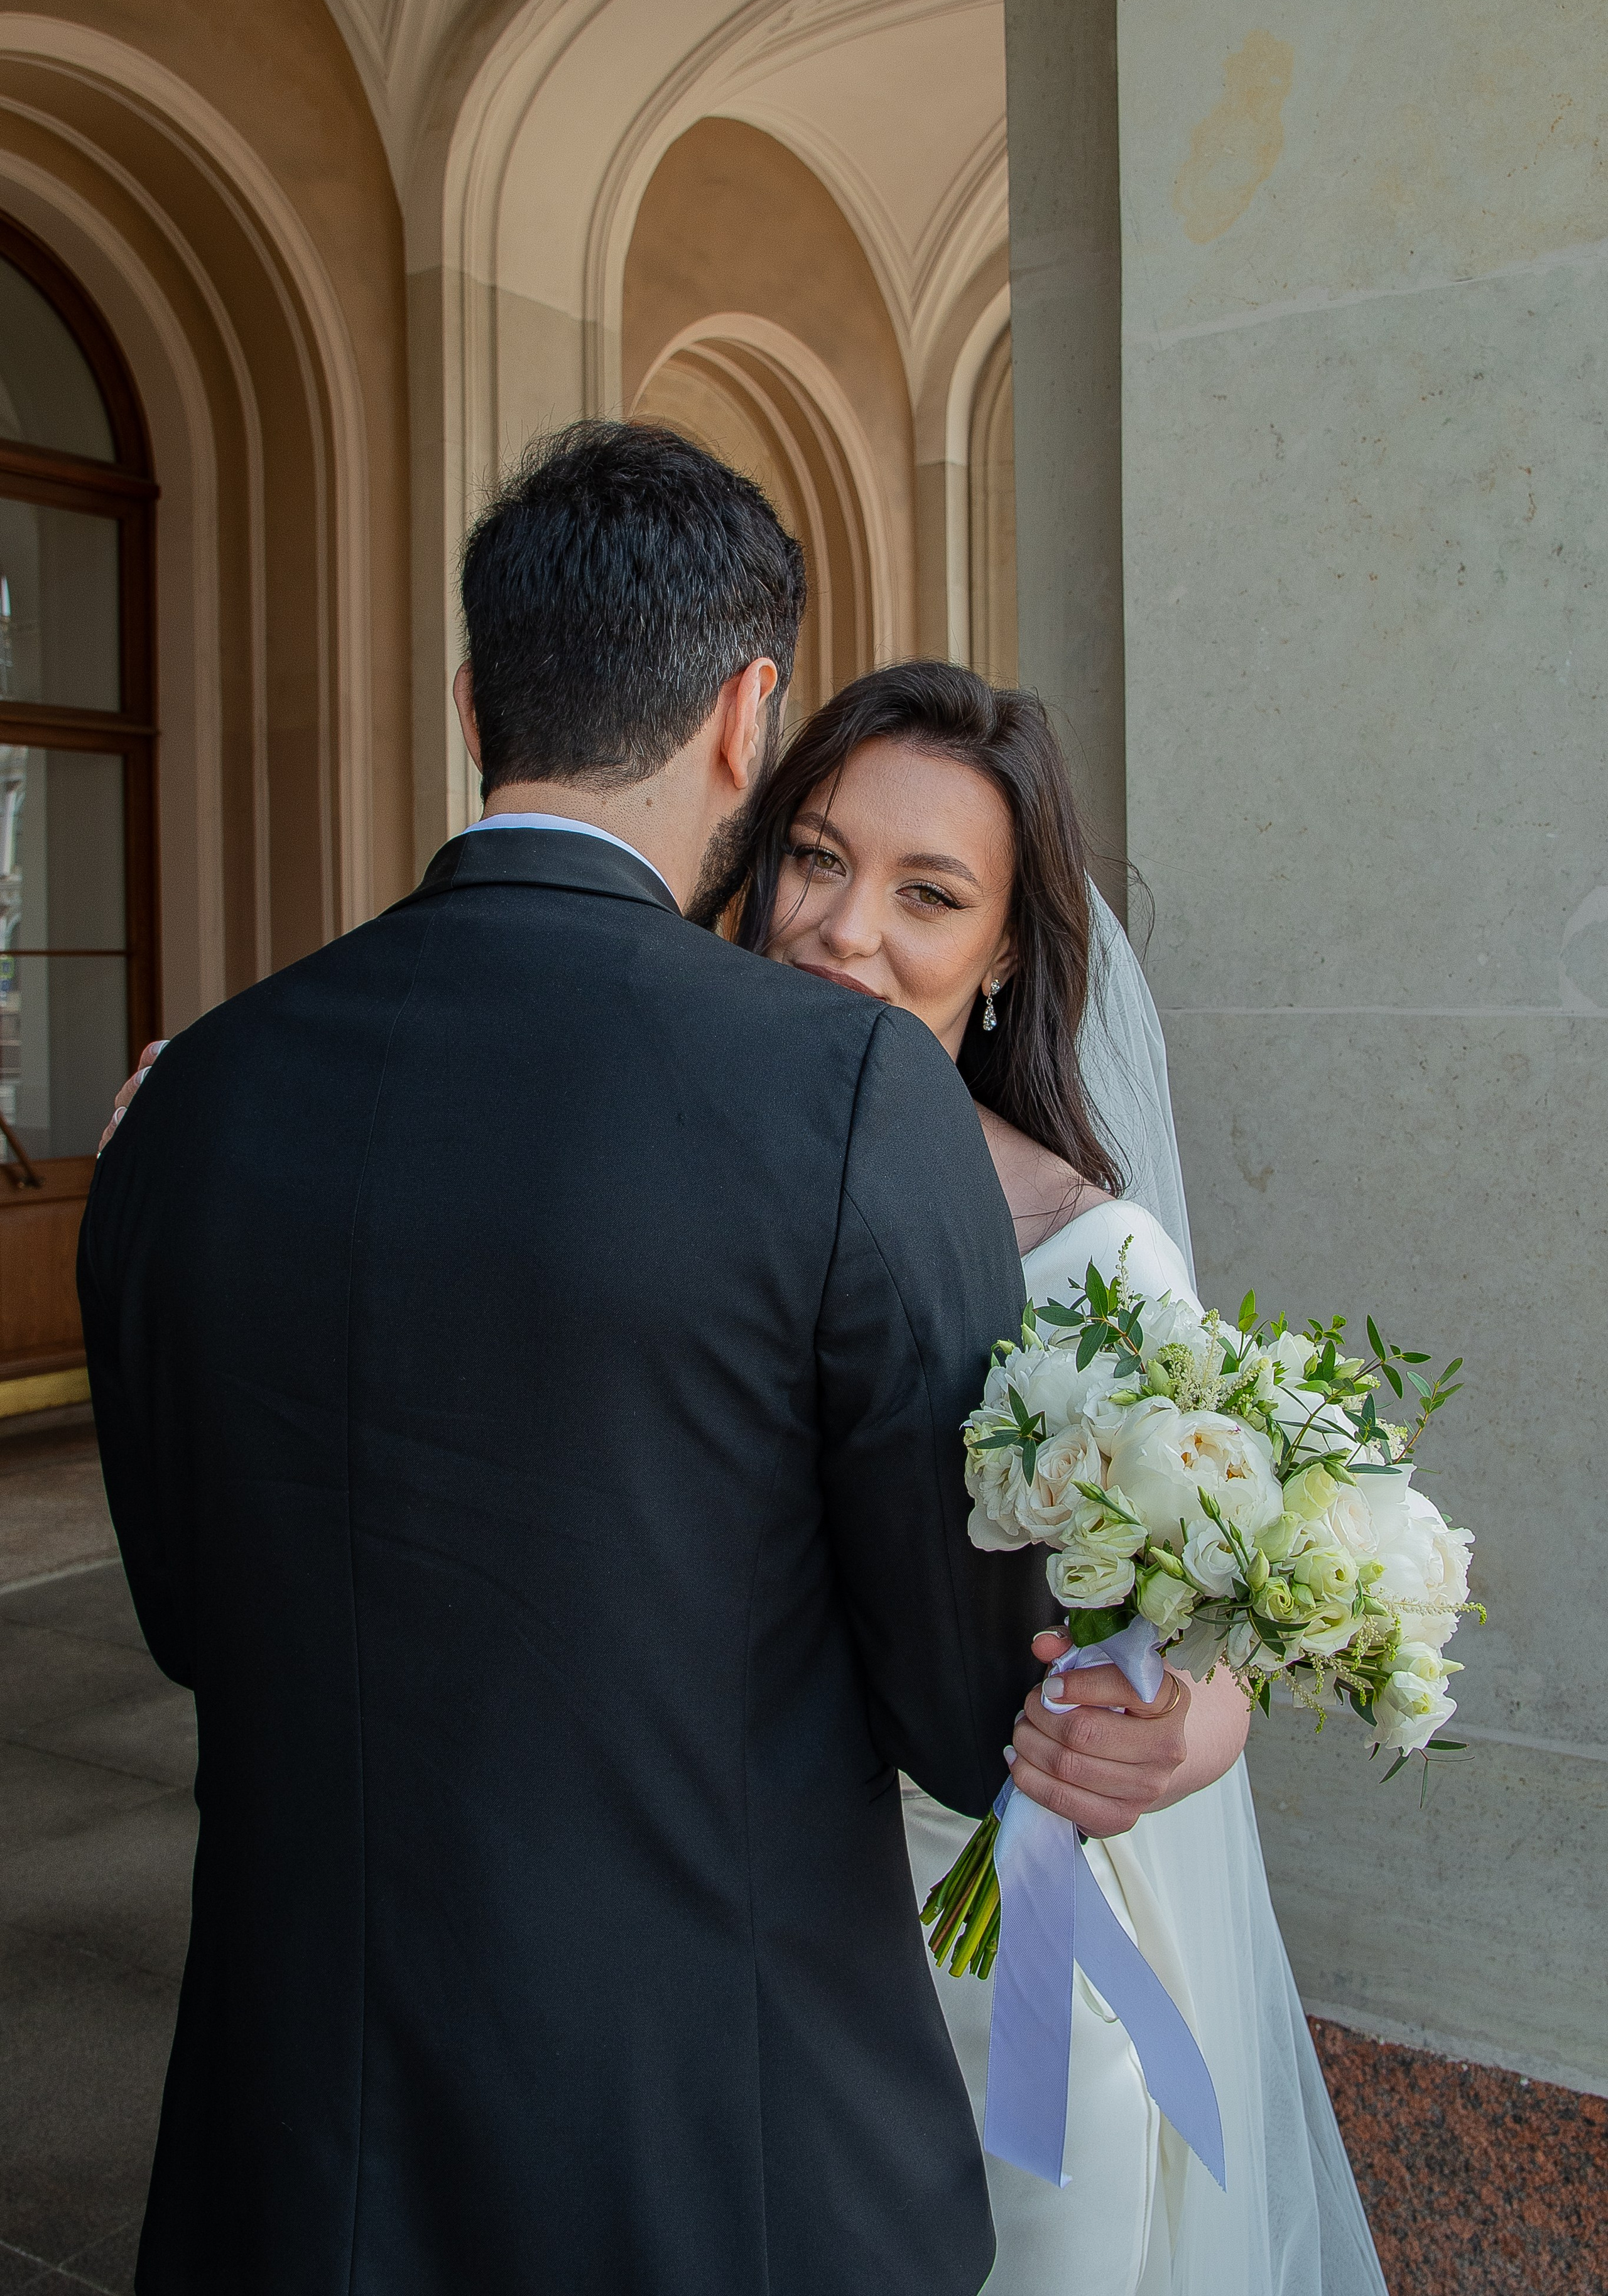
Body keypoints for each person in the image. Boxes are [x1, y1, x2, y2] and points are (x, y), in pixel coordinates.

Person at [79, 423, 1197, 2296]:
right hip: (710, 2160)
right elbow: (956, 1708)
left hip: (297, 2156)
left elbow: (194, 1615)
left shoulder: (194, 1093)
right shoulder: (847, 1093)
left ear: (471, 703)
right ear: (751, 720)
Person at [725, 660, 1390, 2296]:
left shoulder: (1091, 1258)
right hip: (702, 1926)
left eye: (927, 893)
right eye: (815, 858)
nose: (845, 929)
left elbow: (1209, 1648)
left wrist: (1168, 1733)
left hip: (984, 1963)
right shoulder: (666, 1163)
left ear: (1009, 952)